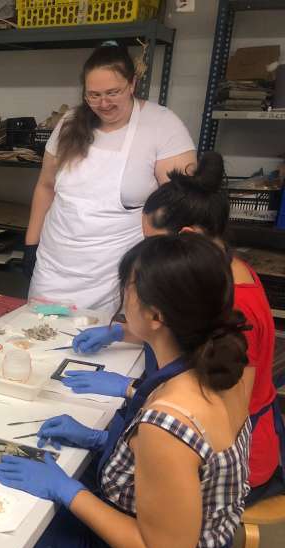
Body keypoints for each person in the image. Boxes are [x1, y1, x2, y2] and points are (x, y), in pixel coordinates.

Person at [0, 234, 251, 548]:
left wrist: (67, 489)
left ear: (156, 316)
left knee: (16, 546)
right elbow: (191, 472)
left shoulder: (170, 420)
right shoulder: (222, 368)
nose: (123, 297)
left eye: (129, 287)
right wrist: (103, 440)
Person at [66, 152, 283, 505]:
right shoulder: (218, 269)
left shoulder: (237, 304)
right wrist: (123, 333)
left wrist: (132, 390)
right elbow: (188, 325)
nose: (147, 252)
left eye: (152, 241)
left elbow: (228, 418)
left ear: (185, 236)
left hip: (237, 465)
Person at [25, 41, 196, 313]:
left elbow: (180, 205)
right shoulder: (70, 122)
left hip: (116, 272)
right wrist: (31, 246)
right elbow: (46, 187)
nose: (103, 103)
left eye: (112, 92)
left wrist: (157, 267)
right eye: (93, 95)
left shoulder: (162, 125)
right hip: (55, 265)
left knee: (106, 347)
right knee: (38, 339)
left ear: (132, 83)